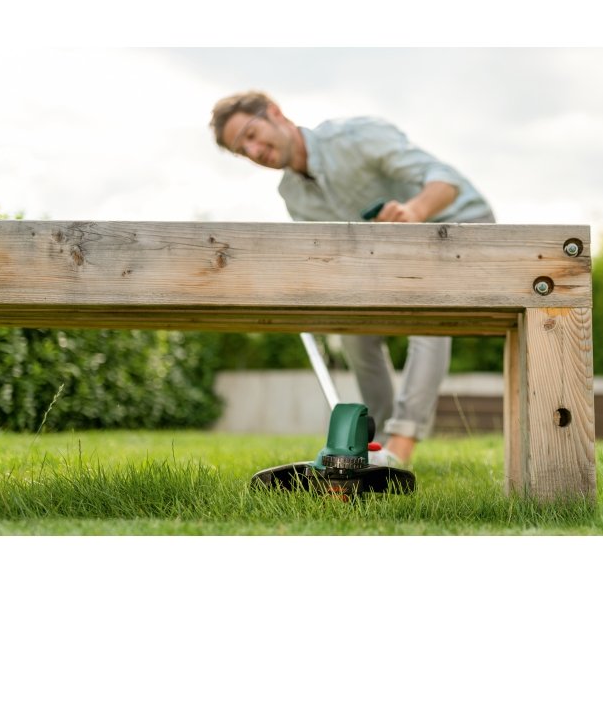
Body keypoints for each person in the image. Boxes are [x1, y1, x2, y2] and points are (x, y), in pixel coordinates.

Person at [210, 91, 495, 467]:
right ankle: (376, 447)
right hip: (393, 258)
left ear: (275, 113)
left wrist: (414, 210)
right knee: (352, 328)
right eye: (241, 150)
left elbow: (447, 180)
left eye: (250, 134)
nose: (253, 151)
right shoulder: (292, 195)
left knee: (428, 312)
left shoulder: (355, 137)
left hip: (464, 231)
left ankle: (402, 446)